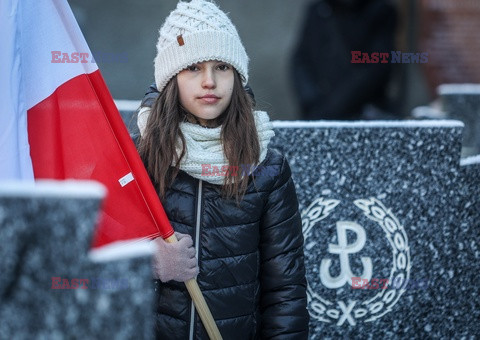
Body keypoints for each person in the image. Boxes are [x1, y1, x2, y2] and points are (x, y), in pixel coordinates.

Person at [135, 0, 309, 339]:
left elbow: (285, 290)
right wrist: (146, 262)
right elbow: (90, 261)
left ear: (238, 76)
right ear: (171, 78)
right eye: (194, 68)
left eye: (222, 67)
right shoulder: (136, 156)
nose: (209, 81)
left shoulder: (266, 166)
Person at [290, 0, 398, 120]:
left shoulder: (379, 10)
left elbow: (376, 67)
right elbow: (300, 60)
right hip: (318, 112)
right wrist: (313, 101)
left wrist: (333, 106)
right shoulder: (318, 10)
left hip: (362, 113)